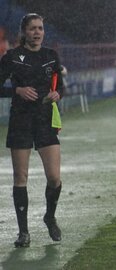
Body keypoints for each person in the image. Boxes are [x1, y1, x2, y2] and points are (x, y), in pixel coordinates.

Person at [0, 13, 64, 248]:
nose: (37, 32)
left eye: (40, 29)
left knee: (55, 178)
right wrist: (16, 91)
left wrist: (58, 94)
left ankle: (49, 216)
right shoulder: (12, 57)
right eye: (33, 29)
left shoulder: (51, 56)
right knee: (21, 177)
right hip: (21, 120)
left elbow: (60, 85)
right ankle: (23, 232)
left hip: (45, 120)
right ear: (24, 32)